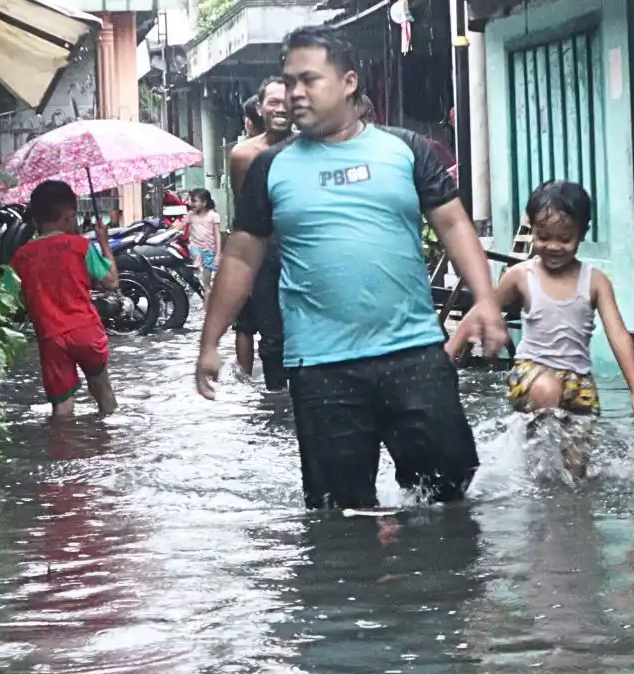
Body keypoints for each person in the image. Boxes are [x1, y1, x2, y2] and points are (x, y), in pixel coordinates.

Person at [198, 27, 508, 511]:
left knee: (449, 497)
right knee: (339, 514)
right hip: (322, 368)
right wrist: (210, 341)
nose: (294, 94)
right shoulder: (269, 167)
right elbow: (240, 256)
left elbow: (453, 224)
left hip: (414, 354)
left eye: (308, 80)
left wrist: (487, 302)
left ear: (347, 83)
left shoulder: (407, 150)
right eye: (288, 81)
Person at [448, 181, 634, 440]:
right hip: (531, 375)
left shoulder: (595, 282)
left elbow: (619, 335)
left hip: (579, 382)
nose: (553, 247)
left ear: (582, 233)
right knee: (548, 391)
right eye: (543, 237)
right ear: (532, 230)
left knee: (575, 470)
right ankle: (532, 447)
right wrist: (448, 355)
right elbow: (483, 311)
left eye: (565, 239)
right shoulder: (521, 275)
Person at [9, 180, 120, 418]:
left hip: (51, 337)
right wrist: (103, 242)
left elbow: (9, 303)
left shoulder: (20, 258)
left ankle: (62, 452)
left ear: (36, 219)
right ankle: (110, 448)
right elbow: (111, 281)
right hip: (86, 331)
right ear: (69, 217)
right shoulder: (81, 246)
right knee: (103, 391)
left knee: (63, 405)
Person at [227, 75, 293, 390]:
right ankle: (276, 405)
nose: (281, 109)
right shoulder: (243, 155)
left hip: (308, 254)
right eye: (273, 102)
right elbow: (245, 215)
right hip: (266, 257)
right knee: (271, 340)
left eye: (288, 101)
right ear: (260, 107)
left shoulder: (313, 147)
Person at [182, 188, 222, 292]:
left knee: (206, 283)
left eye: (194, 201)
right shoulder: (190, 215)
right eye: (191, 201)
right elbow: (179, 226)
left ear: (204, 202)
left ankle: (207, 304)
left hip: (209, 251)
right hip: (195, 248)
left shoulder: (213, 216)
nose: (191, 203)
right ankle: (196, 269)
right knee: (196, 256)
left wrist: (217, 254)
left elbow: (217, 235)